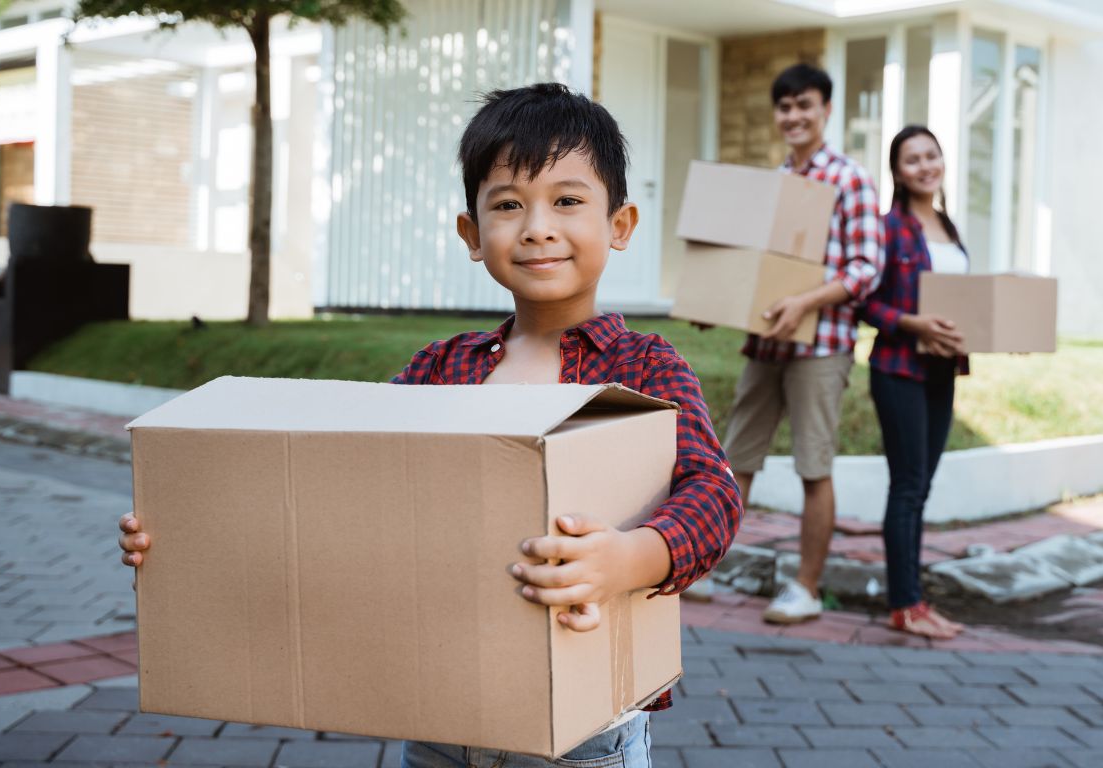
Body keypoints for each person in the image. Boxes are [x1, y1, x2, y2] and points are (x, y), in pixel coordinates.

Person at [118, 83, 743, 767]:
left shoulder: (642, 367)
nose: (537, 226)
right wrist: (188, 541)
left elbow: (713, 493)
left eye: (567, 200)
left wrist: (628, 559)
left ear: (619, 225)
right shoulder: (441, 369)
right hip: (445, 716)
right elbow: (340, 480)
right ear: (473, 235)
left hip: (587, 733)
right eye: (508, 204)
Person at [715, 63, 881, 625]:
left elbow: (865, 269)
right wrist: (720, 303)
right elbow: (755, 266)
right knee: (733, 460)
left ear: (826, 110)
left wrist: (805, 302)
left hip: (823, 342)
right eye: (784, 107)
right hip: (766, 343)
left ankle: (806, 588)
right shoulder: (774, 182)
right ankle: (704, 569)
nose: (793, 116)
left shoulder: (849, 179)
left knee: (814, 465)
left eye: (804, 105)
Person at [861, 125, 970, 639]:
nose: (925, 166)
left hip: (942, 372)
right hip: (897, 370)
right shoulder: (889, 228)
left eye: (931, 155)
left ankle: (915, 601)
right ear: (898, 171)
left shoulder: (947, 225)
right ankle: (905, 605)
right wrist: (914, 323)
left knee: (921, 488)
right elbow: (867, 303)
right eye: (912, 159)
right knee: (906, 487)